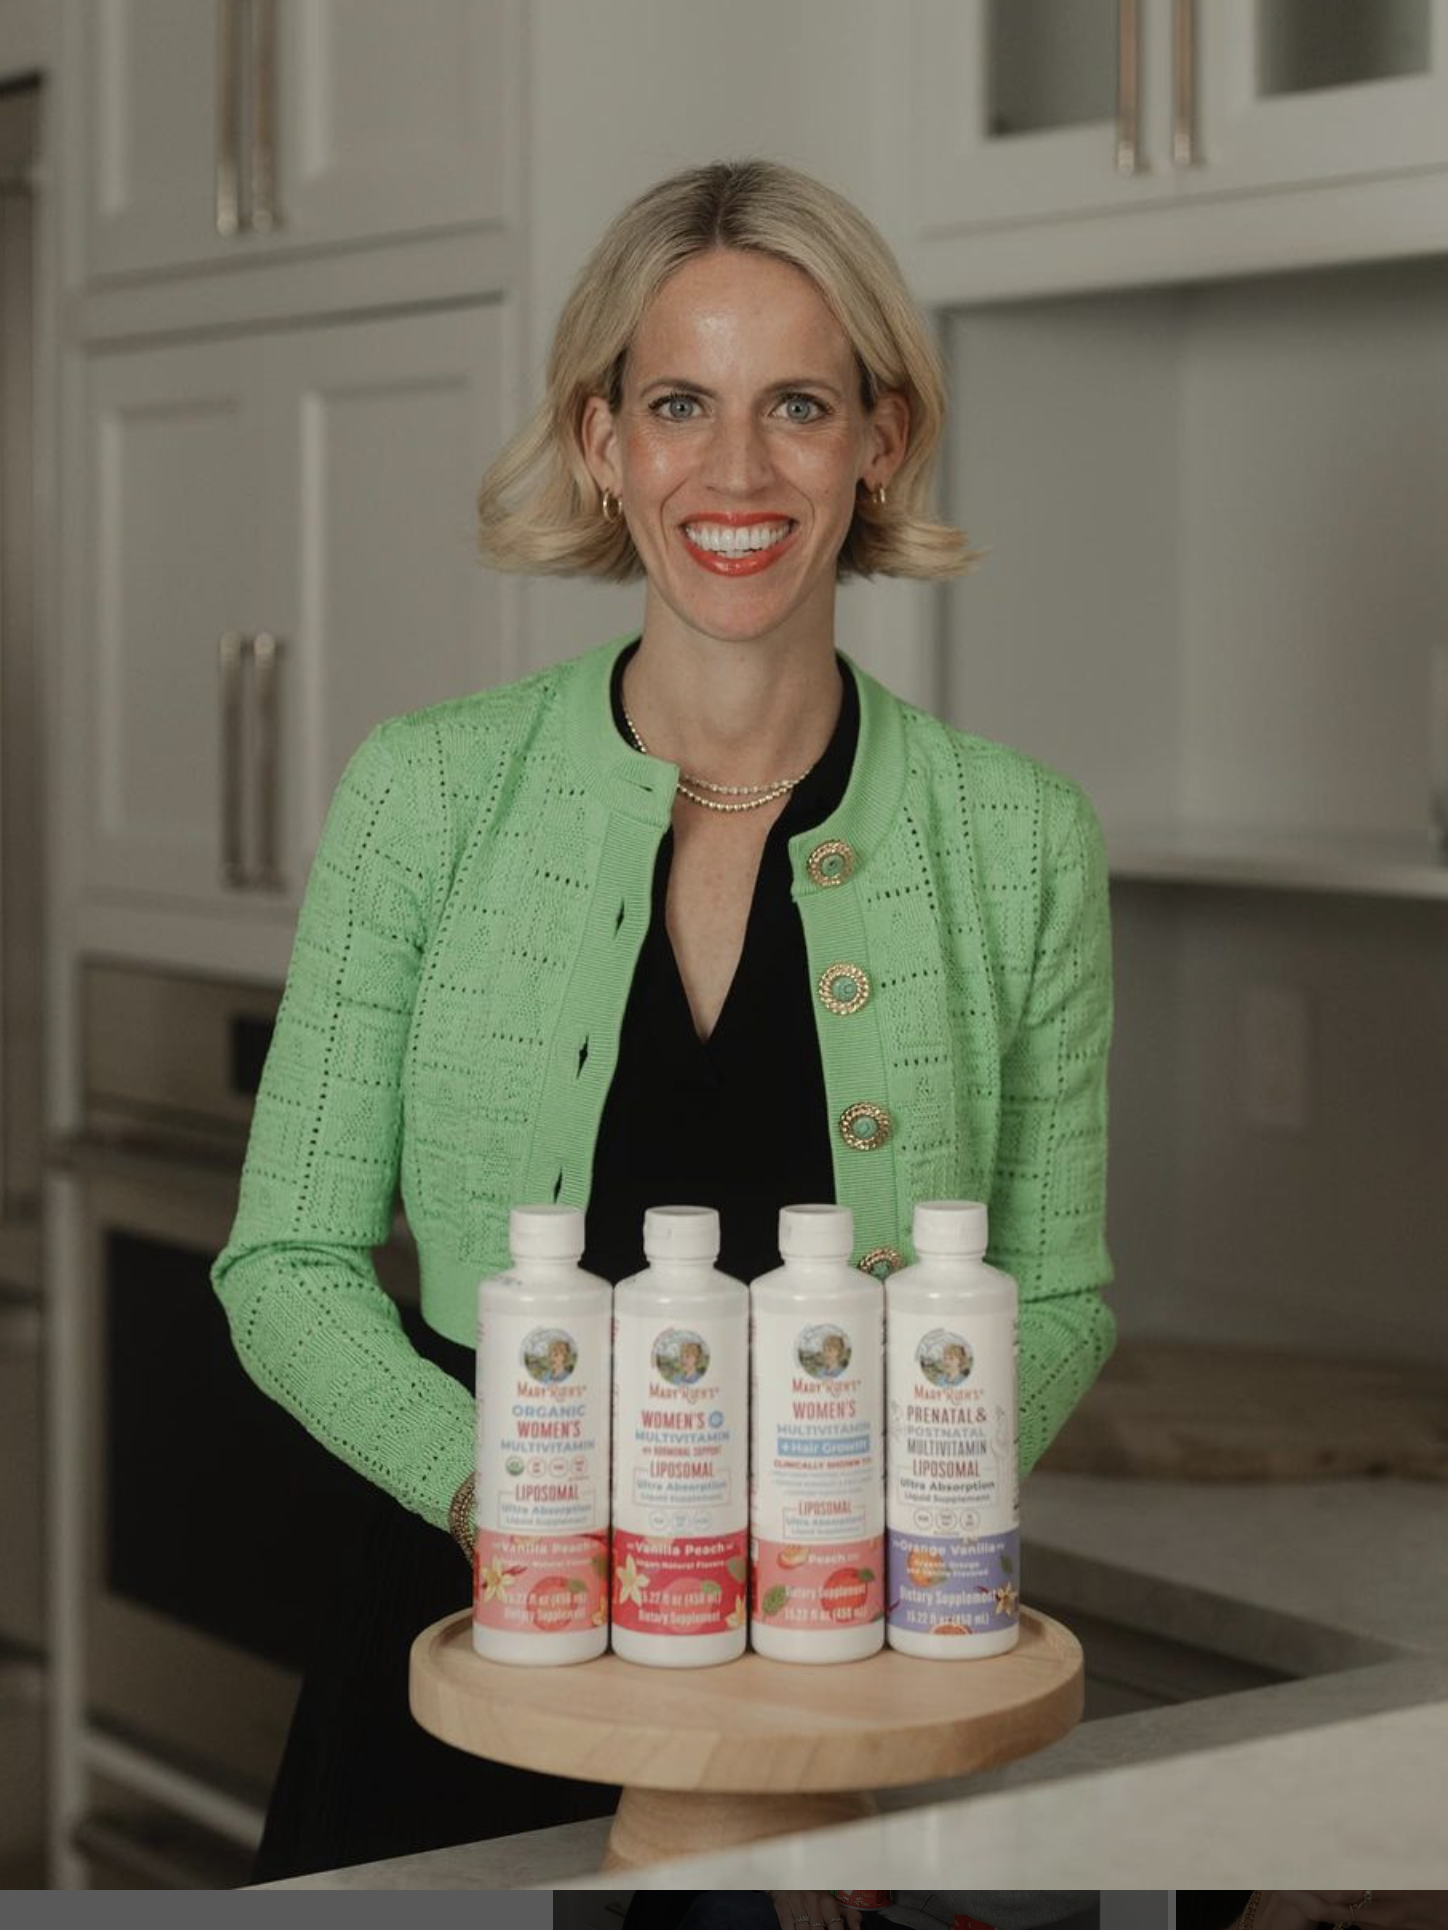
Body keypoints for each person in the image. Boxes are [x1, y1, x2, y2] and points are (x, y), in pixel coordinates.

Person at [212, 156, 1116, 1884]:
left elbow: (1059, 1286)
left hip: (844, 1675)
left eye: (799, 404)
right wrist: (510, 1498)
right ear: (599, 443)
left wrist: (855, 1513)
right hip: (478, 1656)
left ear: (881, 442)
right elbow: (288, 1264)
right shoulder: (429, 795)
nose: (737, 470)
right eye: (680, 403)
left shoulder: (1020, 838)